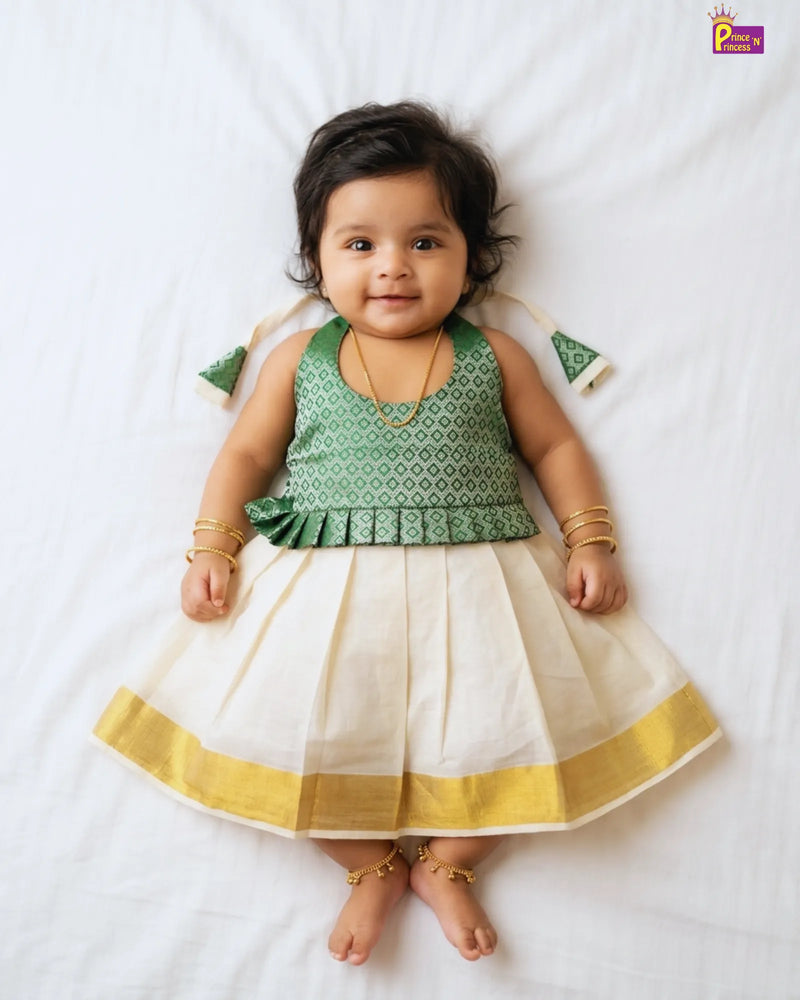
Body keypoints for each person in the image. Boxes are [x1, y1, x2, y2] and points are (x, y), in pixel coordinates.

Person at [93, 101, 720, 966]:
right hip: (323, 584)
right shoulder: (298, 359)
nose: (393, 269)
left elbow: (554, 445)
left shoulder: (495, 356)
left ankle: (452, 862)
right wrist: (212, 547)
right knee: (288, 731)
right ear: (316, 258)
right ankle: (369, 863)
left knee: (518, 726)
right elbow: (244, 454)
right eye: (360, 245)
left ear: (473, 256)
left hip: (484, 582)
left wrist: (590, 541)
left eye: (425, 242)